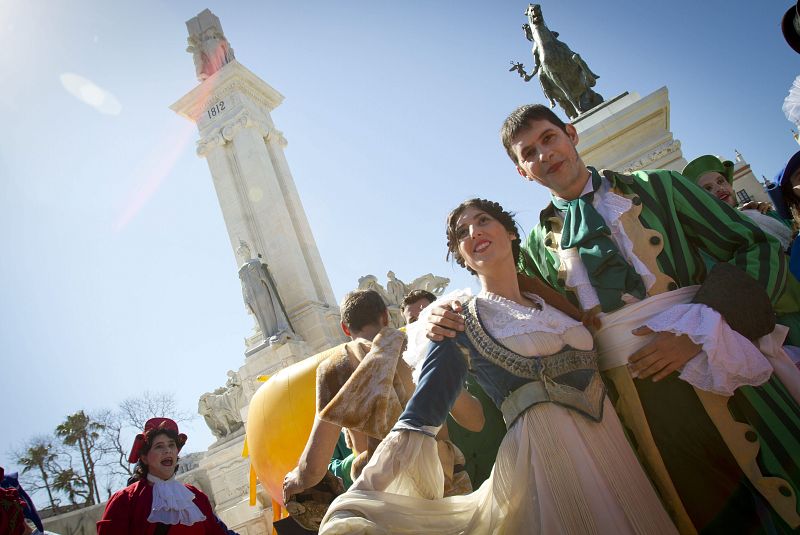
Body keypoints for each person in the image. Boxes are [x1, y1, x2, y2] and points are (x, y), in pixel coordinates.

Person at [427, 104, 800, 533]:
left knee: (782, 481)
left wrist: (701, 328)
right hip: (637, 413)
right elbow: (511, 299)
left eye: (549, 139)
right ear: (522, 171)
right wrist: (440, 313)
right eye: (528, 153)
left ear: (571, 134)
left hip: (724, 365)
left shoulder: (660, 188)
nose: (543, 154)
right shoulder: (533, 246)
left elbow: (756, 247)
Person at [319, 199, 677, 534]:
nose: (473, 232)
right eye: (462, 233)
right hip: (546, 463)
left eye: (483, 221)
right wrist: (364, 490)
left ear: (510, 233)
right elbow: (423, 409)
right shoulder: (460, 318)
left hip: (617, 453)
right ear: (461, 256)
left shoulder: (558, 302)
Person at [282, 290, 481, 519]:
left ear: (345, 328)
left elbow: (313, 470)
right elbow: (475, 420)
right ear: (386, 317)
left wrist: (296, 479)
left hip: (388, 505)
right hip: (447, 491)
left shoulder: (336, 367)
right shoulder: (419, 349)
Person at [97, 418, 226, 535]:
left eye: (171, 445)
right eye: (159, 446)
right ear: (144, 458)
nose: (168, 450)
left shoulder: (195, 496)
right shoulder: (125, 499)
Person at [682, 154, 794, 251]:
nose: (719, 188)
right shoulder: (710, 240)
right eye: (708, 188)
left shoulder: (760, 212)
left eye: (720, 181)